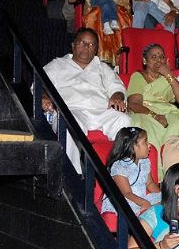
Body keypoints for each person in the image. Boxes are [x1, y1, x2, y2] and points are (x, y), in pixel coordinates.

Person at [42, 28, 130, 171]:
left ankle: (120, 173)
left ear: (96, 50)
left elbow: (118, 87)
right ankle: (72, 175)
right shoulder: (58, 65)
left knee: (124, 120)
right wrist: (44, 96)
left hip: (101, 110)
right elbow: (39, 84)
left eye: (91, 44)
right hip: (72, 110)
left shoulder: (102, 67)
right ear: (73, 45)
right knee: (69, 124)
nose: (86, 47)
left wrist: (117, 96)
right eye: (82, 43)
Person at [126, 44, 179, 159]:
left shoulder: (167, 79)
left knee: (176, 120)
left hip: (166, 111)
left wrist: (168, 75)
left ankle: (169, 161)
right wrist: (155, 116)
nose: (158, 60)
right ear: (145, 61)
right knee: (148, 126)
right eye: (154, 57)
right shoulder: (138, 76)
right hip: (145, 112)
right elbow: (133, 104)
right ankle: (154, 164)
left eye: (161, 57)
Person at [100, 126, 161, 216]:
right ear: (133, 147)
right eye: (145, 142)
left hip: (141, 198)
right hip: (126, 200)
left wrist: (162, 196)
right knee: (142, 210)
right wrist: (144, 203)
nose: (149, 145)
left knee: (167, 202)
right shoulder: (120, 166)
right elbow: (126, 193)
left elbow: (150, 183)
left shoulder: (144, 162)